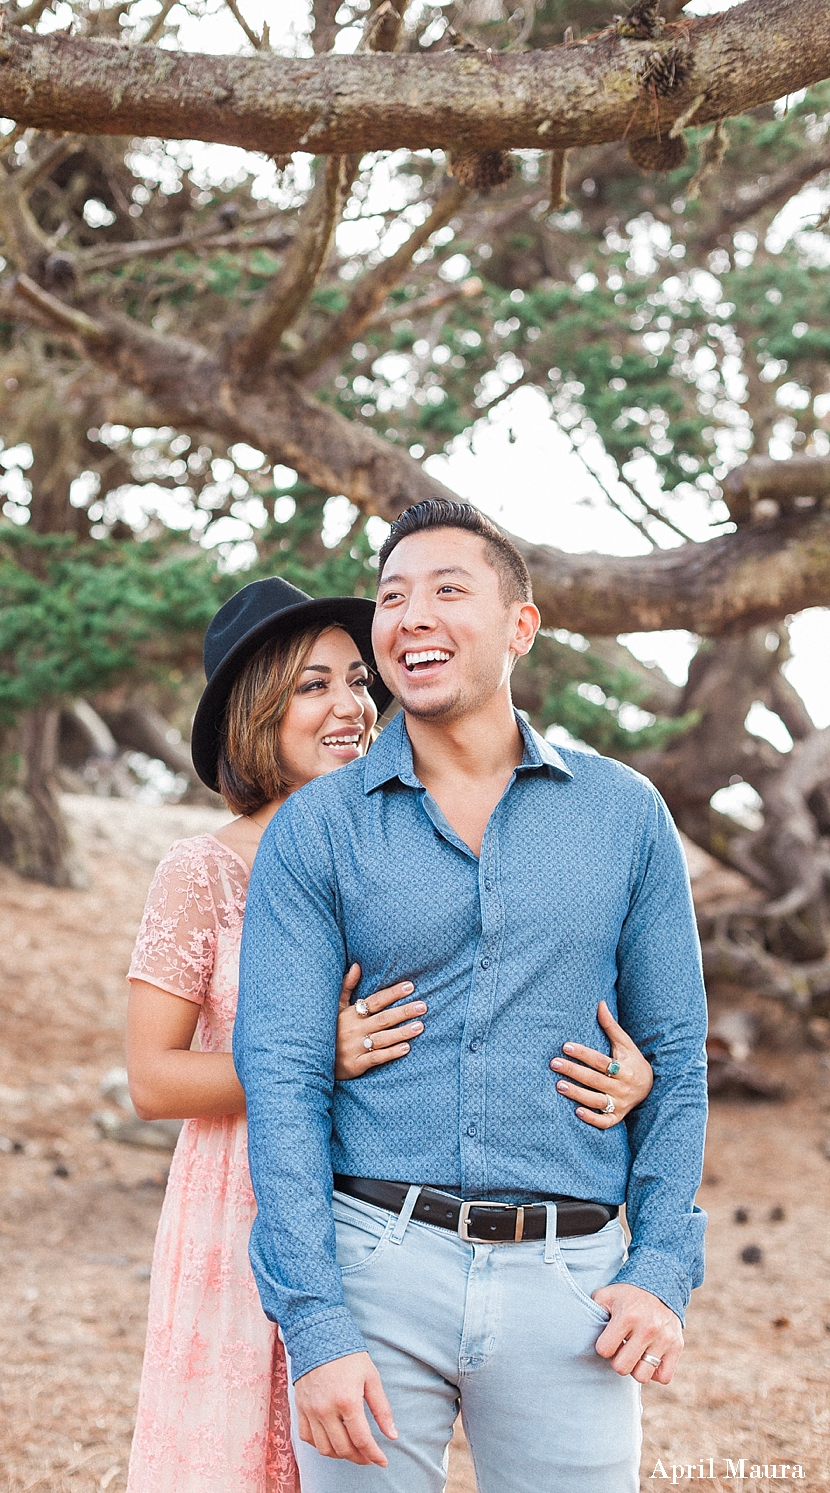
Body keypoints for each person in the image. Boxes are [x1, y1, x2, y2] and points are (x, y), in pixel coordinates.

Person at [124, 576, 655, 1493]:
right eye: (312, 686)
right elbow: (151, 1079)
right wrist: (305, 1060)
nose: (348, 706)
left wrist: (628, 1072)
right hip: (248, 1193)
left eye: (355, 681)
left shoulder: (399, 839)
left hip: (387, 1208)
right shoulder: (203, 868)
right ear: (258, 713)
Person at [233, 501, 709, 1493]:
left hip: (570, 1283)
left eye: (448, 589)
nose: (412, 615)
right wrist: (315, 1320)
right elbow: (277, 1077)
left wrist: (660, 1266)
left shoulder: (622, 815)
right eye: (392, 596)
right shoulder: (317, 832)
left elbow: (675, 1057)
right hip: (372, 1267)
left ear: (518, 626)